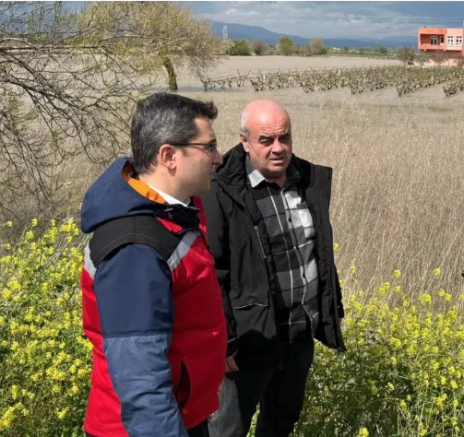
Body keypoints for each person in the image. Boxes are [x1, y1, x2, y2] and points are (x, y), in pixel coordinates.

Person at [79, 92, 227, 437]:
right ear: (169, 155)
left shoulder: (172, 214)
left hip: (182, 412)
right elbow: (140, 381)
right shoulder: (134, 248)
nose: (218, 158)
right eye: (210, 147)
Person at [203, 100, 345, 437]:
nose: (278, 148)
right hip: (249, 341)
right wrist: (225, 341)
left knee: (281, 423)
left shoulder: (307, 180)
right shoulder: (222, 191)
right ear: (245, 142)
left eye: (285, 138)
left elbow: (319, 253)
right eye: (266, 140)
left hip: (297, 337)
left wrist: (328, 309)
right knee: (227, 429)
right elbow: (213, 272)